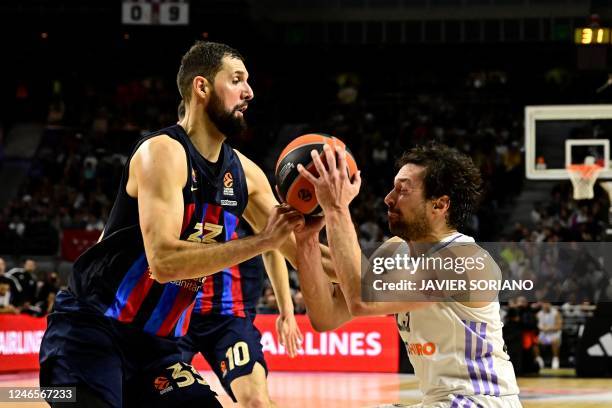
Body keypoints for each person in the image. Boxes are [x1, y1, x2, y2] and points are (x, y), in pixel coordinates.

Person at [39, 41, 308, 408]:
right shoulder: (161, 152)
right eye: (237, 80)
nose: (250, 92)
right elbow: (163, 263)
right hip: (91, 331)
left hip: (156, 351)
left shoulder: (246, 173)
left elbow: (303, 255)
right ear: (202, 87)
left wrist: (344, 223)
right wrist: (263, 241)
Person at [293, 143, 522, 407]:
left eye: (403, 190)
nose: (389, 198)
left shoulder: (464, 260)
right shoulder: (396, 250)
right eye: (393, 188)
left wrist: (336, 209)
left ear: (439, 204)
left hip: (481, 401)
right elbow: (327, 315)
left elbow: (362, 299)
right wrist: (306, 239)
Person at [176, 96, 303, 407]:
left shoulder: (241, 173)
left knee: (256, 401)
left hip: (227, 316)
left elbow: (273, 242)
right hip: (172, 316)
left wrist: (287, 311)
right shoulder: (163, 170)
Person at [535, 302, 562, 369]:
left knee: (555, 341)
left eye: (547, 303)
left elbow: (559, 327)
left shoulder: (556, 313)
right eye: (544, 303)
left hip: (554, 334)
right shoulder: (538, 314)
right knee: (534, 342)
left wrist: (549, 328)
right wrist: (541, 328)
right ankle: (538, 359)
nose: (546, 305)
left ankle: (555, 359)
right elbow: (536, 326)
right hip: (543, 336)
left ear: (550, 304)